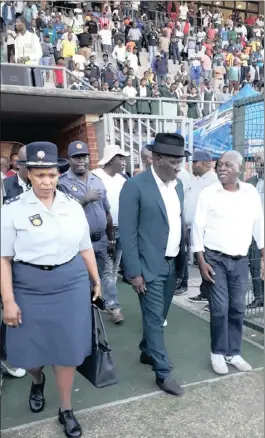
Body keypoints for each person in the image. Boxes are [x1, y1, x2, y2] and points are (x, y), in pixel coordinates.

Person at [1, 142, 101, 438]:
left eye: (52, 175)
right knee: (30, 354)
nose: (46, 181)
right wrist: (8, 300)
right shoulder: (12, 210)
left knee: (67, 350)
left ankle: (66, 409)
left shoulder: (71, 206)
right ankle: (37, 380)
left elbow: (85, 248)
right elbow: (4, 258)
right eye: (40, 175)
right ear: (28, 174)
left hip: (69, 284)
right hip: (28, 285)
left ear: (59, 174)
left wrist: (95, 280)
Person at [119, 133, 187, 396]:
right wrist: (134, 272)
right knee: (155, 320)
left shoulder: (178, 186)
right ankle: (162, 373)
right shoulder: (135, 186)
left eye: (180, 161)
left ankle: (147, 351)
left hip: (172, 264)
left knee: (159, 316)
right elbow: (128, 233)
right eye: (173, 162)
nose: (179, 167)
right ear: (157, 159)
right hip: (148, 268)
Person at [192, 151, 264, 375]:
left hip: (240, 260)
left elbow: (259, 224)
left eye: (228, 165)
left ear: (240, 169)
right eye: (219, 165)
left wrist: (263, 254)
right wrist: (201, 260)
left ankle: (233, 352)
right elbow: (197, 227)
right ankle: (217, 352)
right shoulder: (208, 193)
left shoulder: (250, 193)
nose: (222, 168)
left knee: (238, 307)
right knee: (220, 308)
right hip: (215, 260)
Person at [58, 141, 115, 318]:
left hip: (101, 239)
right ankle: (87, 308)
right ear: (69, 159)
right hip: (79, 242)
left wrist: (111, 238)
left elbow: (106, 211)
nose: (81, 160)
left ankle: (113, 307)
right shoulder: (62, 183)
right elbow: (61, 212)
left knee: (107, 274)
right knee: (83, 277)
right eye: (76, 157)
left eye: (83, 156)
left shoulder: (97, 180)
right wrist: (84, 199)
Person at [92, 145, 130, 323]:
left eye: (124, 158)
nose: (124, 162)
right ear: (110, 160)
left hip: (122, 227)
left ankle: (103, 299)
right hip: (106, 231)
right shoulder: (96, 177)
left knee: (115, 268)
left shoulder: (123, 179)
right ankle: (113, 306)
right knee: (107, 269)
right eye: (120, 158)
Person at [185, 150, 217, 307]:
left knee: (210, 262)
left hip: (207, 230)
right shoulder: (197, 179)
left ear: (206, 164)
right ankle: (205, 293)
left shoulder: (213, 181)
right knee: (201, 263)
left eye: (195, 162)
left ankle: (213, 300)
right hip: (193, 228)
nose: (192, 165)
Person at [246, 151, 264, 309]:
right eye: (257, 160)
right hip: (253, 230)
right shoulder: (249, 182)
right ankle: (259, 297)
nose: (259, 163)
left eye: (261, 160)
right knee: (255, 265)